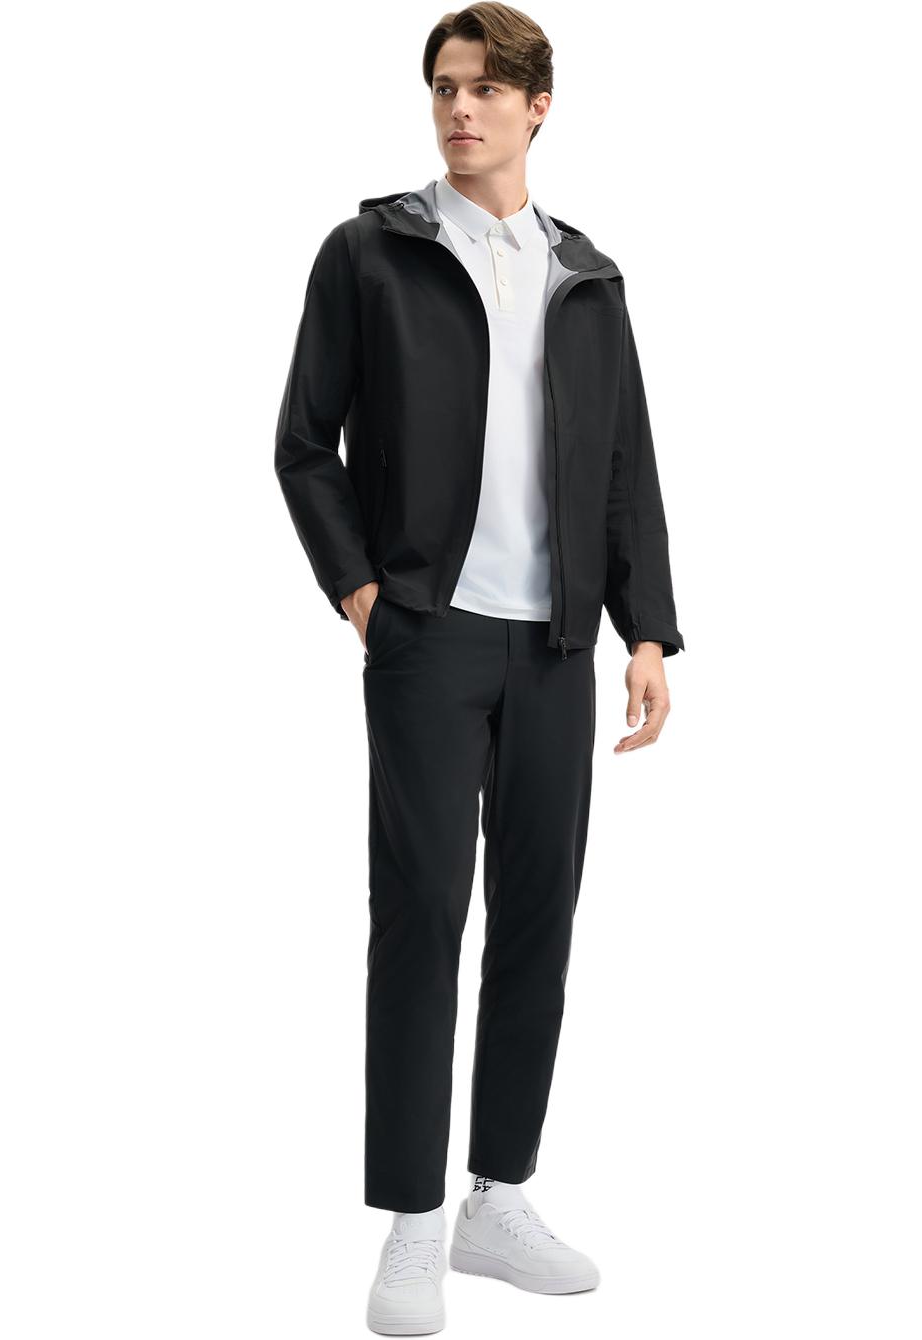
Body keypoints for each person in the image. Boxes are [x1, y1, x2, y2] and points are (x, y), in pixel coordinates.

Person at [274, 4, 684, 1332]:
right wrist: (363, 592)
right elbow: (304, 442)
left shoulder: (586, 274)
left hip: (557, 644)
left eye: (487, 89)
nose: (461, 108)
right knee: (422, 916)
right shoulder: (373, 253)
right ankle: (411, 1220)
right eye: (445, 87)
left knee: (539, 918)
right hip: (428, 634)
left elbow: (623, 465)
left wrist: (647, 629)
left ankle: (498, 1196)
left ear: (536, 107)